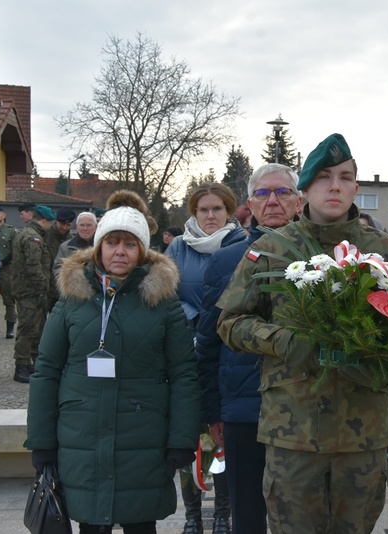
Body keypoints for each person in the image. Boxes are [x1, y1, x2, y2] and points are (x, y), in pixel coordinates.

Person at [218, 133, 388, 534]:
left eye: (345, 177)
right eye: (323, 177)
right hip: (293, 432)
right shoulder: (273, 249)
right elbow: (230, 322)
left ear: (355, 187)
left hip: (363, 431)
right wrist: (284, 341)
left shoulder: (383, 250)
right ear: (304, 189)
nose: (335, 186)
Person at [25, 190, 200, 534]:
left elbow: (183, 373)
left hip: (143, 438)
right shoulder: (72, 300)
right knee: (90, 525)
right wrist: (41, 441)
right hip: (81, 435)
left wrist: (181, 439)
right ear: (99, 247)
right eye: (112, 242)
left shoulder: (163, 303)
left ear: (142, 250)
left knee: (140, 525)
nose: (120, 251)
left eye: (130, 244)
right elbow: (46, 371)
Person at [197, 163, 302, 534]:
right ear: (250, 204)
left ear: (299, 202)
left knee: (300, 516)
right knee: (247, 515)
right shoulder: (227, 260)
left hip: (302, 410)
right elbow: (208, 340)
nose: (272, 201)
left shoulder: (320, 261)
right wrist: (213, 410)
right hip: (244, 410)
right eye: (262, 193)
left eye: (283, 192)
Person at [167, 182, 244, 534]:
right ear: (193, 213)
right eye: (203, 210)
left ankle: (223, 514)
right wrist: (195, 319)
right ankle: (192, 515)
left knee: (223, 436)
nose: (210, 215)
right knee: (192, 436)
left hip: (228, 351)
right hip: (187, 349)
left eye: (217, 209)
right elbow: (165, 294)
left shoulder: (243, 245)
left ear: (229, 211)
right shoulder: (178, 248)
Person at [12, 205, 56, 383]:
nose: (50, 226)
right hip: (30, 291)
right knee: (28, 329)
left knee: (33, 328)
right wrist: (42, 288)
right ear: (43, 220)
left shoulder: (27, 233)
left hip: (26, 290)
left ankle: (28, 363)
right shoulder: (33, 237)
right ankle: (21, 366)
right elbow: (33, 267)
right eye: (50, 222)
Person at [0, 206, 17, 338]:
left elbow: (15, 249)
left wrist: (3, 262)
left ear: (4, 215)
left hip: (6, 268)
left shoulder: (11, 231)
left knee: (9, 299)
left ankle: (10, 328)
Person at [46, 209, 76, 311]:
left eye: (68, 225)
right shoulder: (45, 236)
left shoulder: (71, 240)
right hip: (45, 287)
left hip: (61, 289)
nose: (64, 227)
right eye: (62, 224)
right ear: (56, 221)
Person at [53, 211, 97, 279]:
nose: (85, 229)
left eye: (89, 225)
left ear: (96, 227)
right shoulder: (65, 247)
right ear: (77, 227)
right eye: (82, 225)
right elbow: (57, 269)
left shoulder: (102, 246)